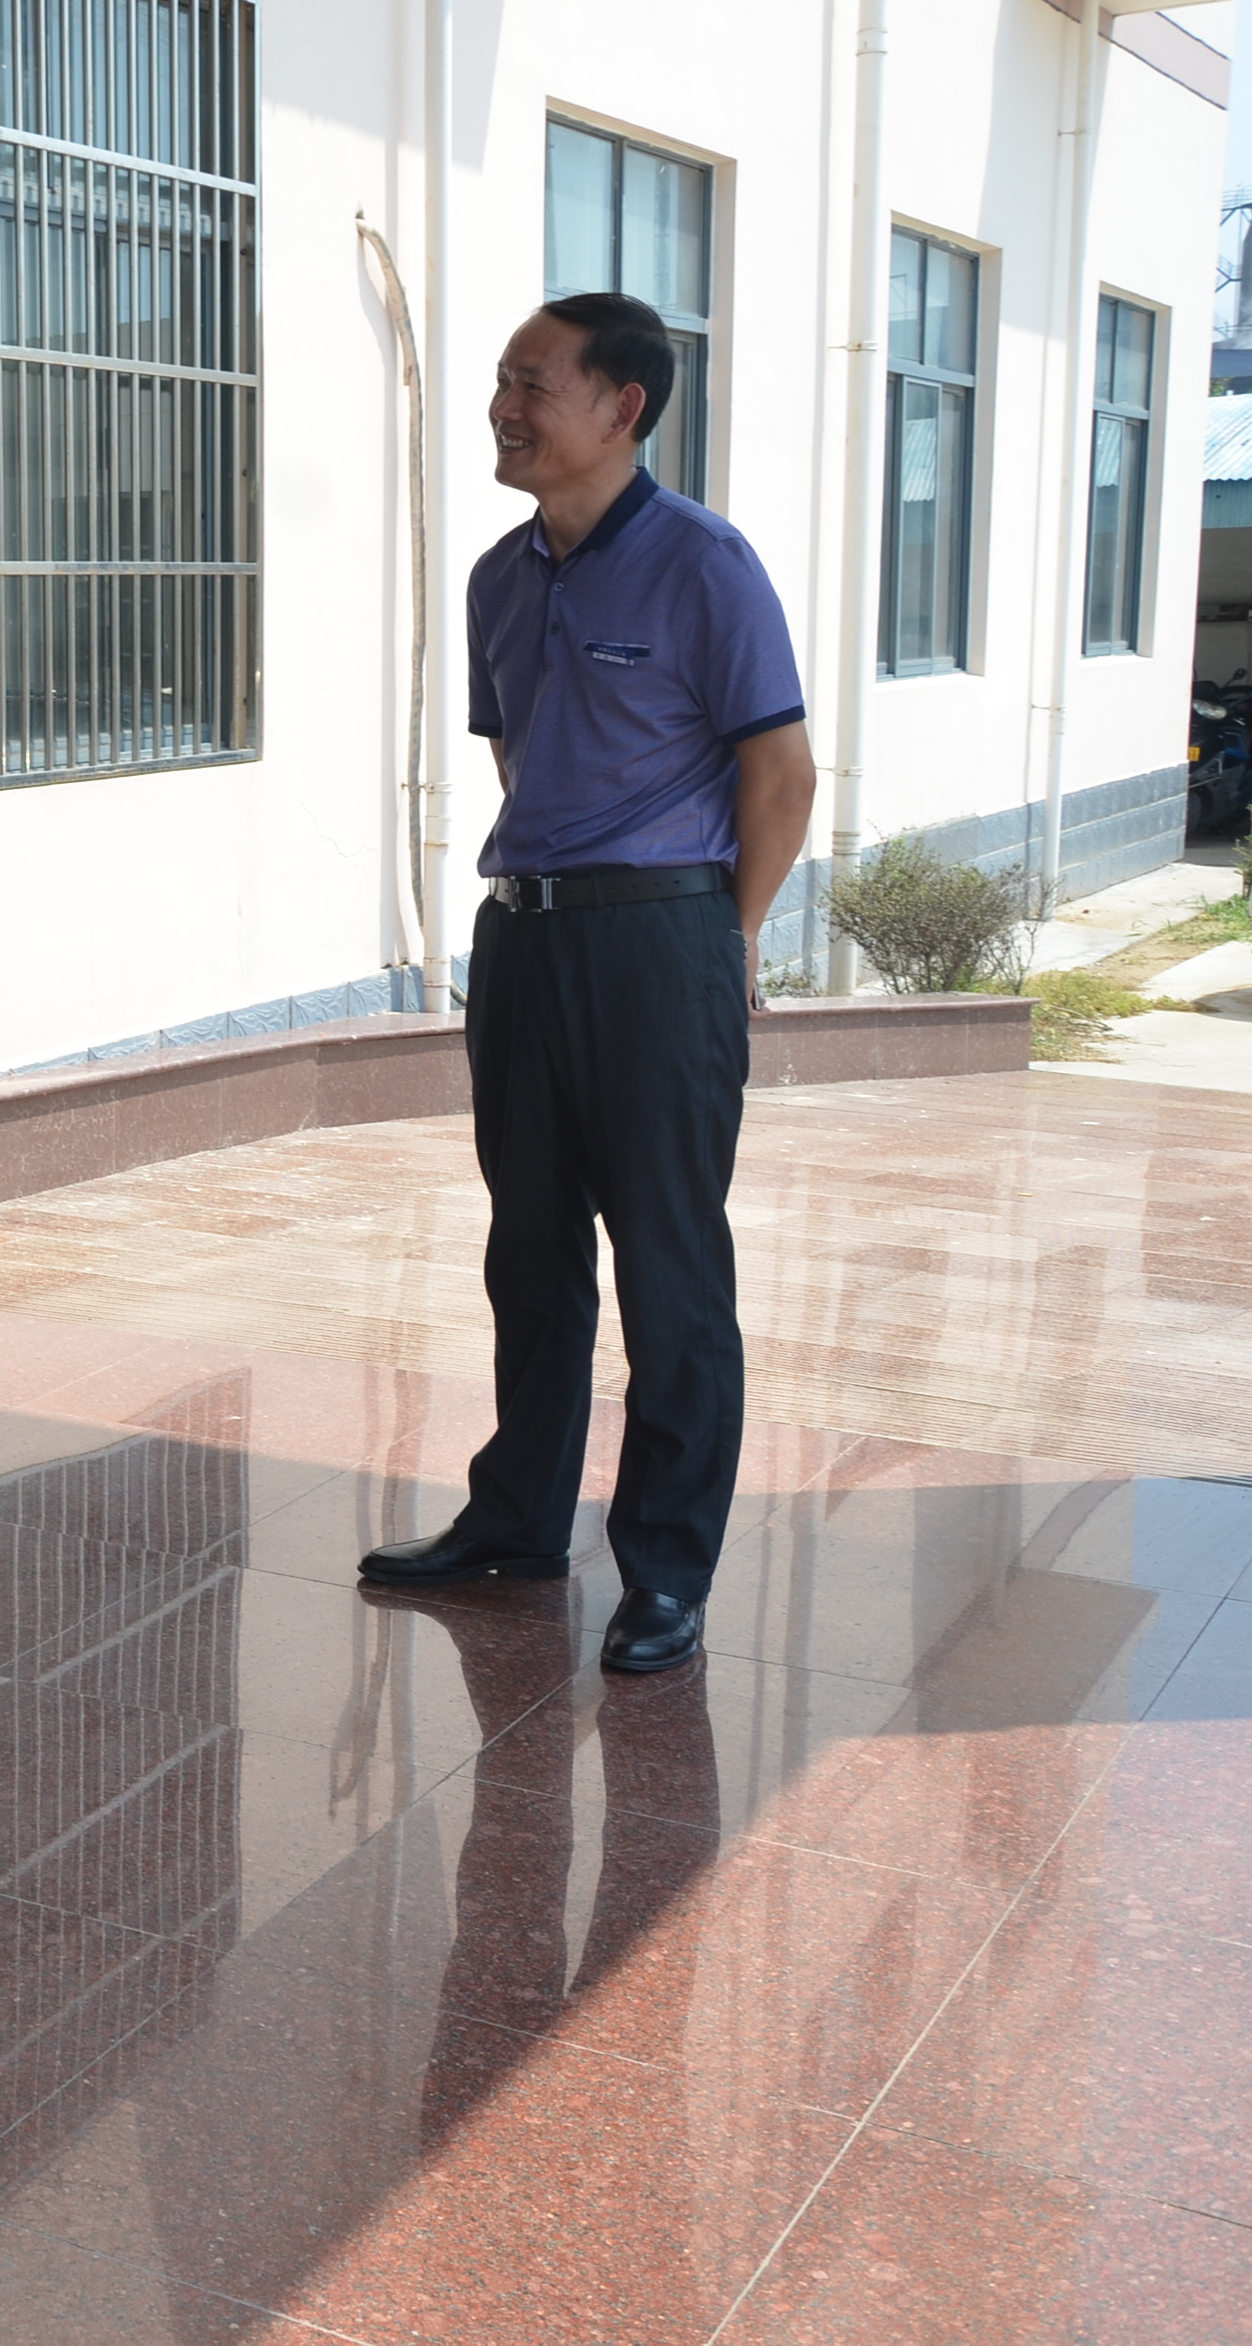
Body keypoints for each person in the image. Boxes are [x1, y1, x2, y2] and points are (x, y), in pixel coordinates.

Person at [357, 292, 815, 1675]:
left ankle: (665, 1569)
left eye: (533, 384)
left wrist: (724, 936)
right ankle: (517, 1519)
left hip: (660, 942)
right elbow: (523, 756)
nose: (504, 407)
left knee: (670, 1259)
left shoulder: (703, 564)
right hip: (527, 939)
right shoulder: (499, 578)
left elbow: (782, 775)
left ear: (624, 407)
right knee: (531, 1247)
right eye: (501, 381)